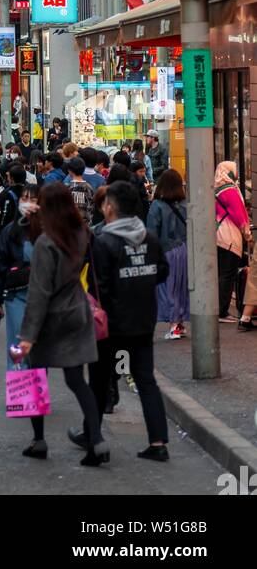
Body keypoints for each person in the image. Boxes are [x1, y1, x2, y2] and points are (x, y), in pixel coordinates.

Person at [17, 181, 103, 465]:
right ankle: (97, 441)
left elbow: (40, 291)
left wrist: (28, 334)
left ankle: (39, 439)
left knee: (35, 378)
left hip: (51, 316)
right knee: (77, 380)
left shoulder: (45, 241)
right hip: (77, 309)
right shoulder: (82, 234)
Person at [85, 180, 170, 462]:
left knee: (99, 383)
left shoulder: (105, 241)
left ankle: (93, 441)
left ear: (110, 207)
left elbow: (100, 287)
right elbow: (162, 271)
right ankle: (158, 442)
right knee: (146, 381)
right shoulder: (149, 238)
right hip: (144, 320)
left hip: (112, 325)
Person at [0, 188, 39, 372]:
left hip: (42, 298)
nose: (28, 202)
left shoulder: (47, 230)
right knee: (17, 346)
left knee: (38, 349)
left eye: (33, 199)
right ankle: (19, 398)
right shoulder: (10, 231)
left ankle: (37, 396)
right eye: (24, 198)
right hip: (16, 295)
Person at [146, 169, 189, 339]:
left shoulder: (157, 206)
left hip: (166, 251)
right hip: (185, 250)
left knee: (167, 288)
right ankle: (179, 323)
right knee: (182, 286)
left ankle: (173, 326)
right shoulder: (186, 204)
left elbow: (151, 232)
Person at [215, 160, 251, 323]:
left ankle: (219, 308)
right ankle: (222, 311)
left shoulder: (218, 188)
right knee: (227, 274)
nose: (237, 172)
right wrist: (247, 233)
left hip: (219, 235)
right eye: (235, 169)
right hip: (228, 237)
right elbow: (240, 215)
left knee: (223, 273)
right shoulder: (229, 190)